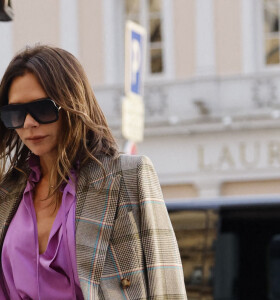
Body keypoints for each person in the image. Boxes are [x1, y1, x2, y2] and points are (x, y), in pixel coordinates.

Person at [0, 45, 187, 300]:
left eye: (42, 109)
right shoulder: (7, 193)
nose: (29, 123)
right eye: (15, 114)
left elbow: (166, 287)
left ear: (71, 103)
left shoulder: (127, 176)